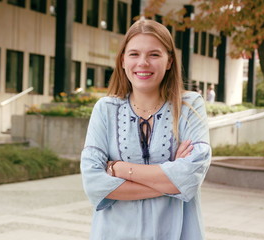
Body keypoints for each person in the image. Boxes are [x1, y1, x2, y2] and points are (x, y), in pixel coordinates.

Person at [80, 19, 211, 240]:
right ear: (122, 61)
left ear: (169, 61)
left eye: (154, 54)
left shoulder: (190, 106)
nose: (143, 62)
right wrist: (172, 180)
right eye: (134, 54)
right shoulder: (105, 109)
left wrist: (121, 169)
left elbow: (192, 174)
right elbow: (94, 184)